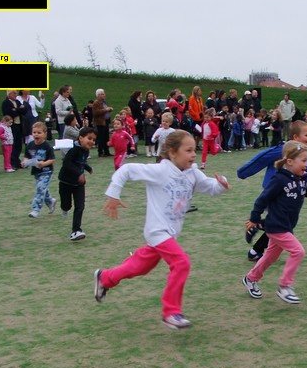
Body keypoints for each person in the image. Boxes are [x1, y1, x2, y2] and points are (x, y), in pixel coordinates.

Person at [93, 130, 230, 330]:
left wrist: (221, 184)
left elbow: (209, 187)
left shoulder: (192, 173)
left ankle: (105, 278)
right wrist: (113, 194)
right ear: (172, 153)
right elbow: (127, 170)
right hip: (157, 231)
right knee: (182, 262)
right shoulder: (160, 171)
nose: (193, 154)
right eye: (188, 150)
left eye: (194, 150)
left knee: (141, 267)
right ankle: (171, 312)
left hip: (171, 233)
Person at [241, 140, 307, 305]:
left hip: (287, 226)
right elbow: (262, 199)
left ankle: (250, 278)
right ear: (289, 161)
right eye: (303, 161)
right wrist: (254, 218)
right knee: (298, 251)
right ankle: (285, 286)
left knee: (270, 256)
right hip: (277, 226)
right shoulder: (279, 180)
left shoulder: (303, 179)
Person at [237, 120, 307, 261]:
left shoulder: (302, 157)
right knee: (282, 225)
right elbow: (261, 159)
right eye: (306, 135)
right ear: (295, 137)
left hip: (289, 193)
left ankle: (255, 248)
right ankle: (256, 235)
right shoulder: (282, 150)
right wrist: (243, 172)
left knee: (282, 225)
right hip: (274, 190)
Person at [58, 127, 96, 241]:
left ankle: (76, 231)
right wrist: (78, 174)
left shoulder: (86, 150)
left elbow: (81, 162)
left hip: (79, 184)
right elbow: (67, 163)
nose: (92, 141)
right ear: (80, 138)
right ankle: (64, 208)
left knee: (80, 206)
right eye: (89, 138)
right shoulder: (73, 150)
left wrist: (88, 168)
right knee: (66, 205)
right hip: (66, 181)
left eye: (94, 140)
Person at [23, 121, 57, 218]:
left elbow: (52, 159)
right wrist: (25, 162)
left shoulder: (47, 146)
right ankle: (50, 201)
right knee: (42, 188)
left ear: (45, 134)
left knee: (40, 188)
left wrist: (44, 163)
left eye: (39, 132)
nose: (36, 134)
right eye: (34, 132)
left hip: (47, 171)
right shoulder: (30, 145)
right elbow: (27, 157)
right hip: (36, 172)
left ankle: (36, 209)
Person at [1, 90, 28, 170]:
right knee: (13, 144)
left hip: (19, 125)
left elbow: (25, 110)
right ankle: (12, 163)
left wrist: (16, 109)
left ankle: (17, 161)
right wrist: (19, 110)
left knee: (19, 144)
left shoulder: (17, 101)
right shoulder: (6, 103)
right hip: (12, 126)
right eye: (14, 93)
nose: (16, 95)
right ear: (9, 94)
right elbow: (9, 113)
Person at [93, 89, 113, 157]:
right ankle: (100, 152)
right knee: (101, 137)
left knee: (106, 137)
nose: (104, 95)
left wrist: (109, 109)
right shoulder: (96, 103)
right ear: (99, 95)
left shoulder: (104, 102)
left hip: (106, 121)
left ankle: (106, 151)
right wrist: (105, 110)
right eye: (102, 94)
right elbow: (95, 112)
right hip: (100, 122)